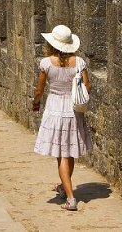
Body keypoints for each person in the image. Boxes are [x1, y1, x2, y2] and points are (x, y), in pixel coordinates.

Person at [31, 25, 92, 211]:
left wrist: (35, 103)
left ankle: (71, 199)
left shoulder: (46, 64)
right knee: (70, 151)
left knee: (61, 156)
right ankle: (64, 188)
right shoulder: (79, 63)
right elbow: (87, 87)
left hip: (55, 109)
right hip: (74, 110)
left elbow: (40, 90)